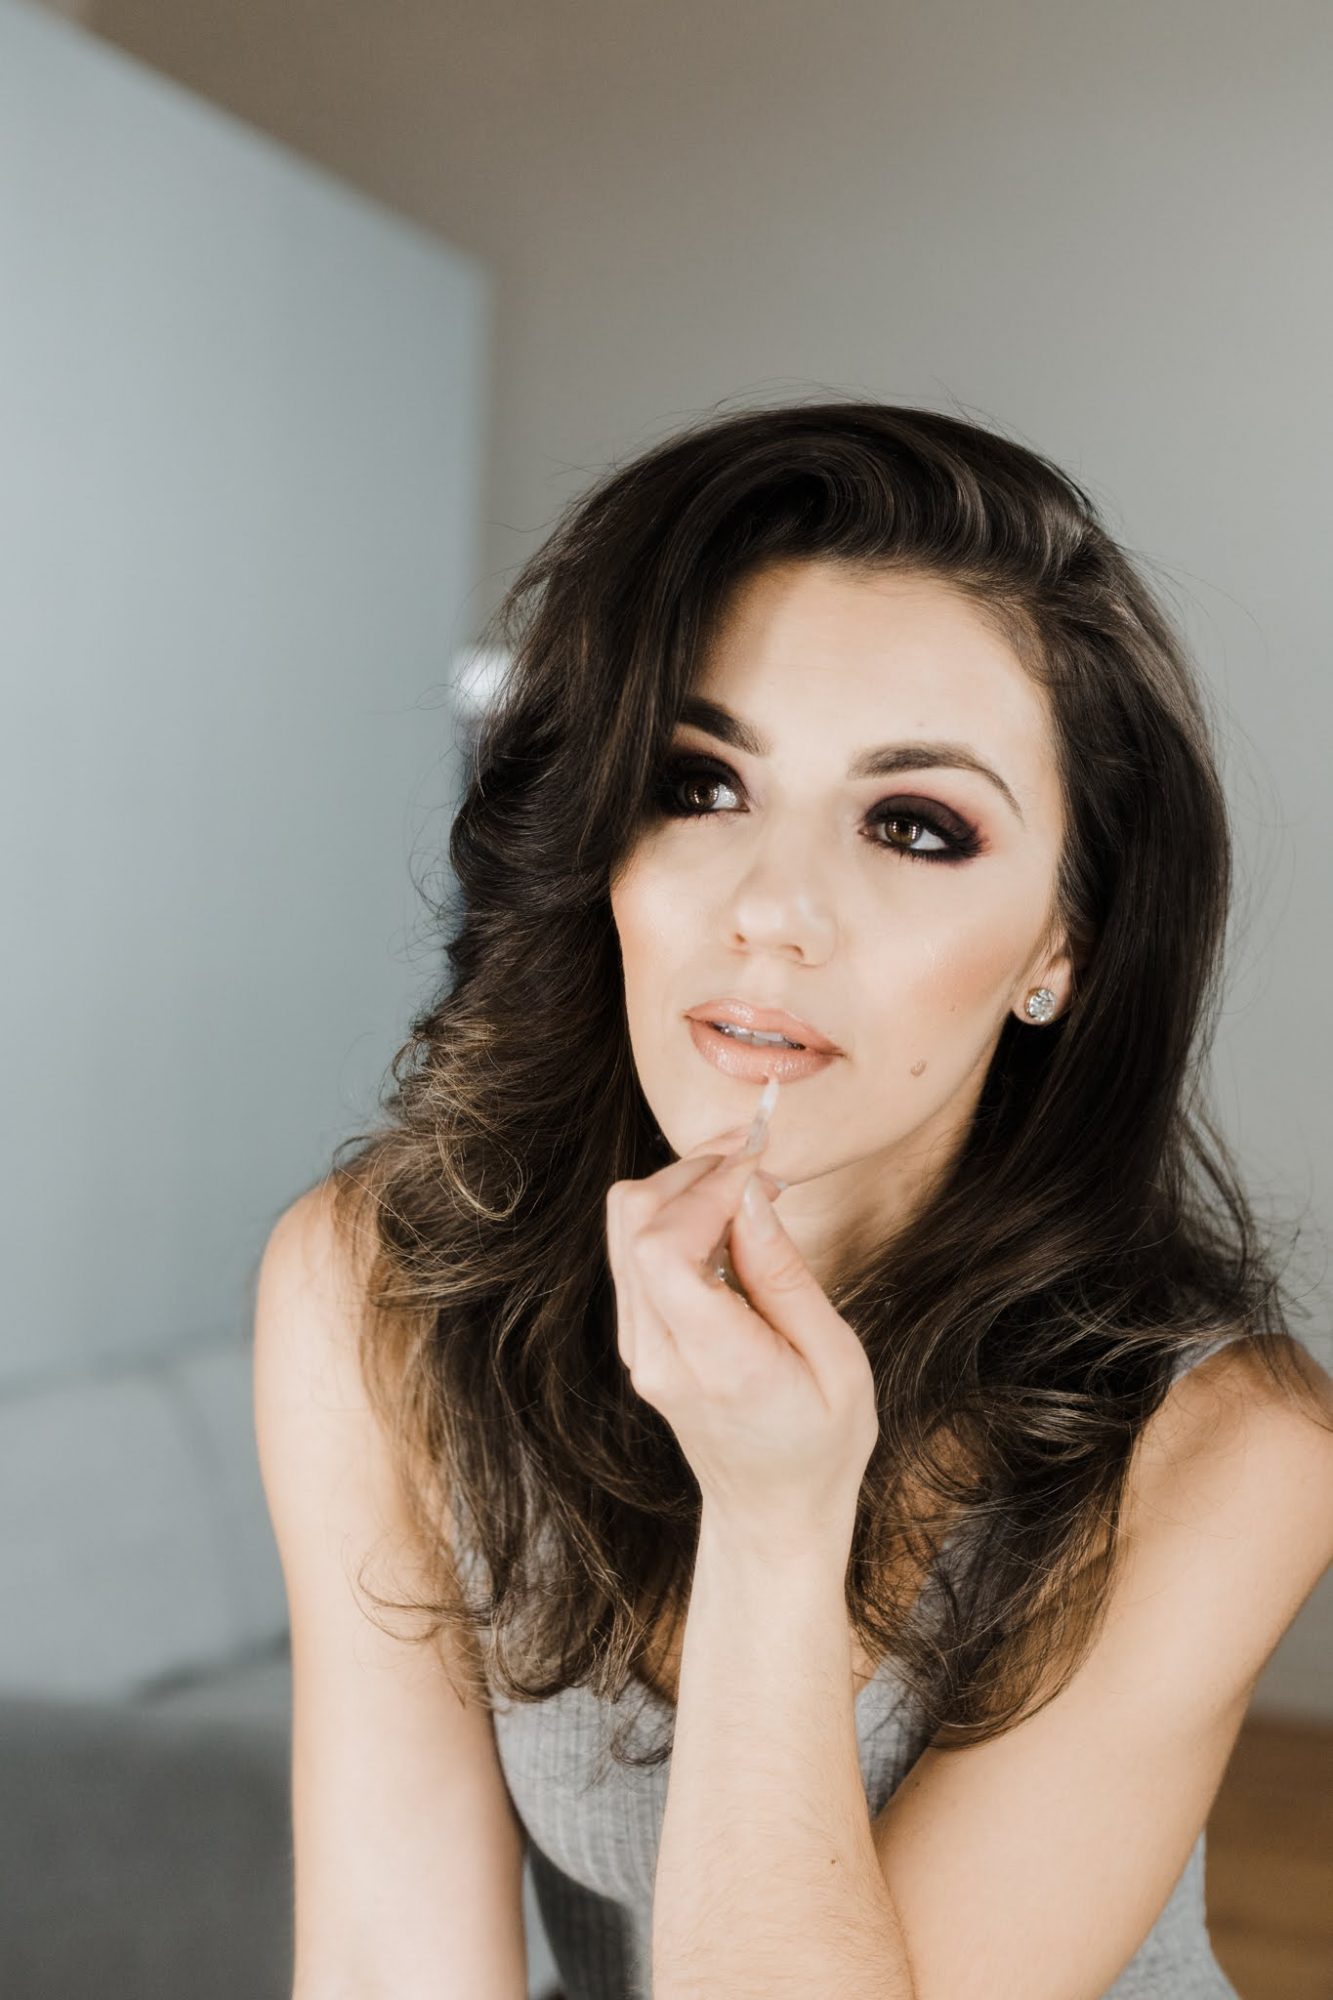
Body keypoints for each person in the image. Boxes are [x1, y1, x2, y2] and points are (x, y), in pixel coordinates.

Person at [253, 400, 1333, 2000]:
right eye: (699, 785)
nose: (771, 909)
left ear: (1060, 946)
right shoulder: (378, 1286)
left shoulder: (1226, 1449)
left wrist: (771, 1525)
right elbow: (384, 1964)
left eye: (914, 826)